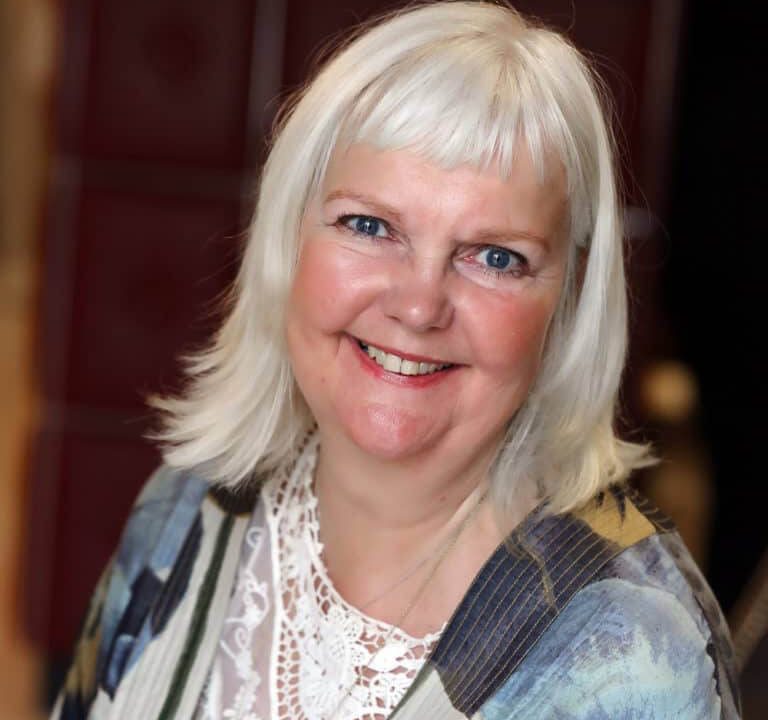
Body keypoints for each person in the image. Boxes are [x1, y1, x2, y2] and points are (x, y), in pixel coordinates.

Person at [52, 2, 740, 719]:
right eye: (370, 225)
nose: (418, 306)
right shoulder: (188, 506)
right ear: (287, 239)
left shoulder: (634, 659)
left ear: (567, 303)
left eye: (495, 257)